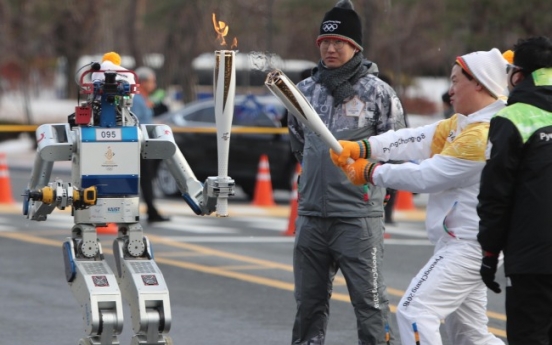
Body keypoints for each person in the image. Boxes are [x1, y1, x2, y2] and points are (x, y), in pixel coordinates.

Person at [330, 48, 508, 345]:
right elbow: (414, 139)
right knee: (470, 335)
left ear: (478, 82)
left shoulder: (483, 135)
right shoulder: (462, 123)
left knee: (415, 311)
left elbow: (429, 175)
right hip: (466, 242)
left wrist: (372, 173)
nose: (449, 90)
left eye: (455, 81)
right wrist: (364, 148)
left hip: (469, 245)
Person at [287, 0, 406, 344]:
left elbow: (396, 150)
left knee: (370, 304)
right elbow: (297, 142)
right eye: (324, 41)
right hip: (311, 217)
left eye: (339, 41)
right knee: (308, 306)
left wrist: (368, 183)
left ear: (355, 46)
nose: (330, 47)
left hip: (357, 218)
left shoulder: (378, 93)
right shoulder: (304, 91)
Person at [477, 36, 552, 345]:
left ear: (518, 75)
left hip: (532, 258)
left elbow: (495, 194)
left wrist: (489, 253)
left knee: (529, 336)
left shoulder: (513, 118)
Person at [131, 66, 170, 223]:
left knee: (147, 178)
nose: (154, 85)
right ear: (143, 82)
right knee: (145, 178)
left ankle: (151, 210)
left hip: (147, 144)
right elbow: (136, 121)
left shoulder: (144, 100)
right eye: (152, 81)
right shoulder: (136, 100)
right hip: (140, 145)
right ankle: (150, 211)